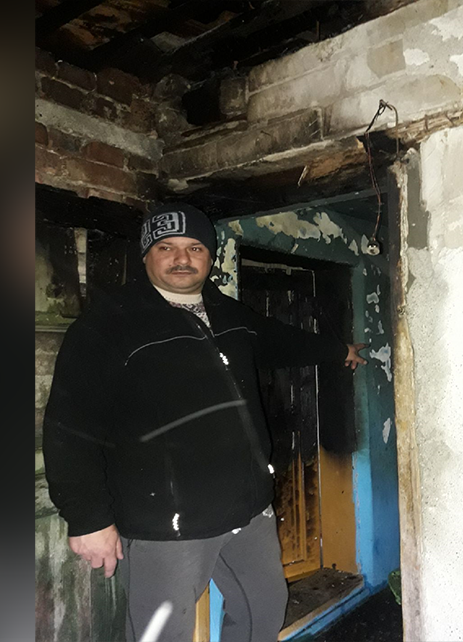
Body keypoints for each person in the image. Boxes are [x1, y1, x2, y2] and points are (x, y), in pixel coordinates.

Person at [43, 203, 367, 642]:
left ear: (210, 257)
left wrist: (338, 350)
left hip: (246, 510)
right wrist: (87, 519)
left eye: (195, 247)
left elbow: (281, 341)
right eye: (167, 247)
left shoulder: (228, 314)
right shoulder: (107, 325)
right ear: (146, 255)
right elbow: (69, 426)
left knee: (263, 611)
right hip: (166, 524)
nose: (182, 258)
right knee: (161, 635)